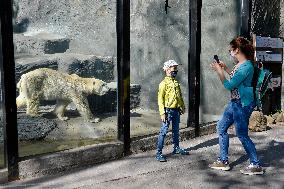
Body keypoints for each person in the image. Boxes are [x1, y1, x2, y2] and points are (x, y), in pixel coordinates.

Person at [209, 37, 264, 175]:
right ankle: (223, 161)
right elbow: (235, 77)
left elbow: (229, 85)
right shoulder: (240, 64)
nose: (230, 52)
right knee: (221, 127)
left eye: (230, 50)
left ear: (237, 50)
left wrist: (219, 72)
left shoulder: (247, 66)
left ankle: (256, 164)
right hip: (235, 103)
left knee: (242, 134)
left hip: (243, 104)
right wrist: (225, 68)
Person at [156, 60, 189, 162]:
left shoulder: (176, 82)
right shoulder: (163, 84)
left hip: (176, 111)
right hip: (167, 111)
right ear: (167, 69)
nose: (176, 70)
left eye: (176, 68)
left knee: (176, 131)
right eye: (174, 68)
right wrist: (162, 113)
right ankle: (159, 153)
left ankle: (176, 148)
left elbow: (179, 97)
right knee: (164, 132)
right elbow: (160, 99)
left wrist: (182, 106)